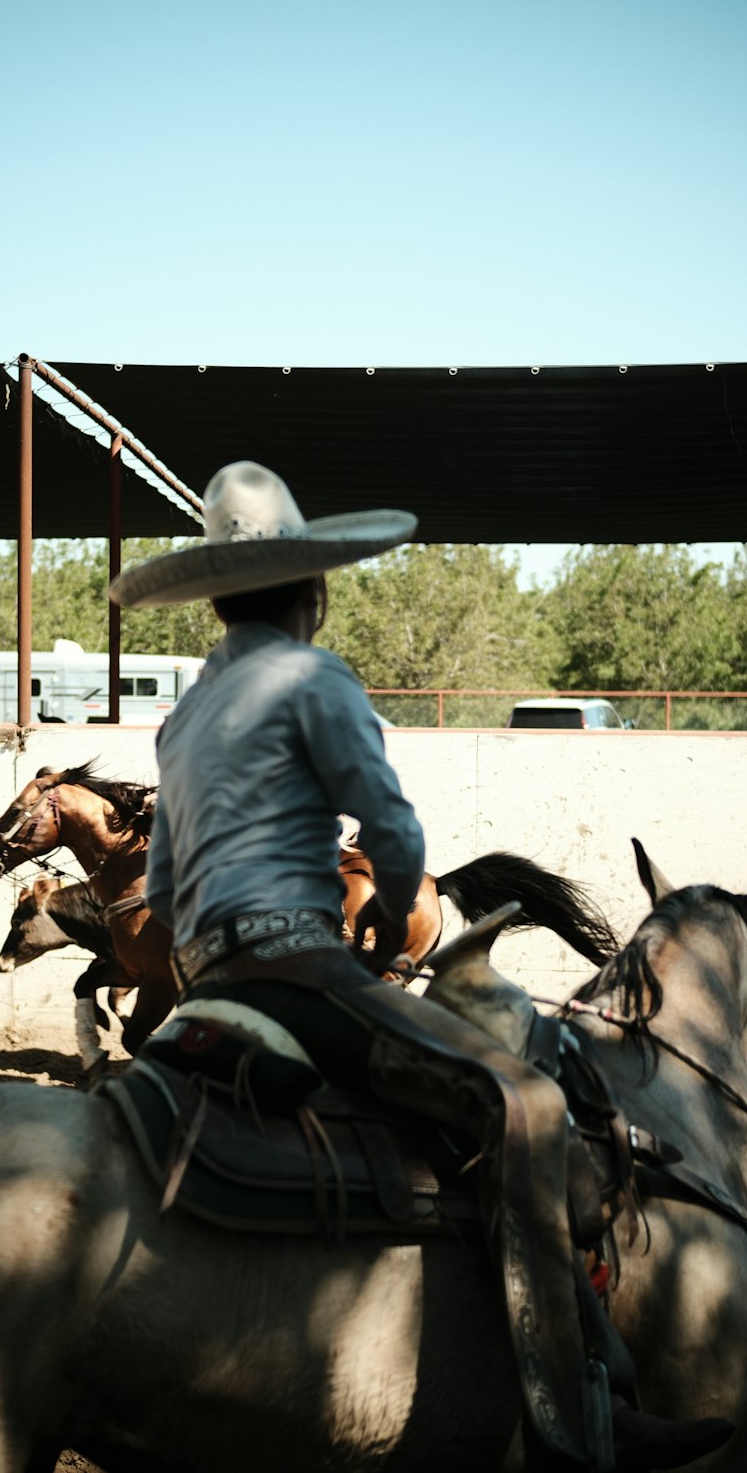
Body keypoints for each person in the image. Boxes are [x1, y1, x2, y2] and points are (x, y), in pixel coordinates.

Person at [109, 461, 733, 1473]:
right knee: (526, 1107)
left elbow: (168, 884)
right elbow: (393, 830)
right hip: (296, 972)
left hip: (205, 984)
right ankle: (580, 1408)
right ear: (311, 586)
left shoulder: (182, 717)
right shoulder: (317, 679)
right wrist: (386, 915)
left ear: (216, 597)